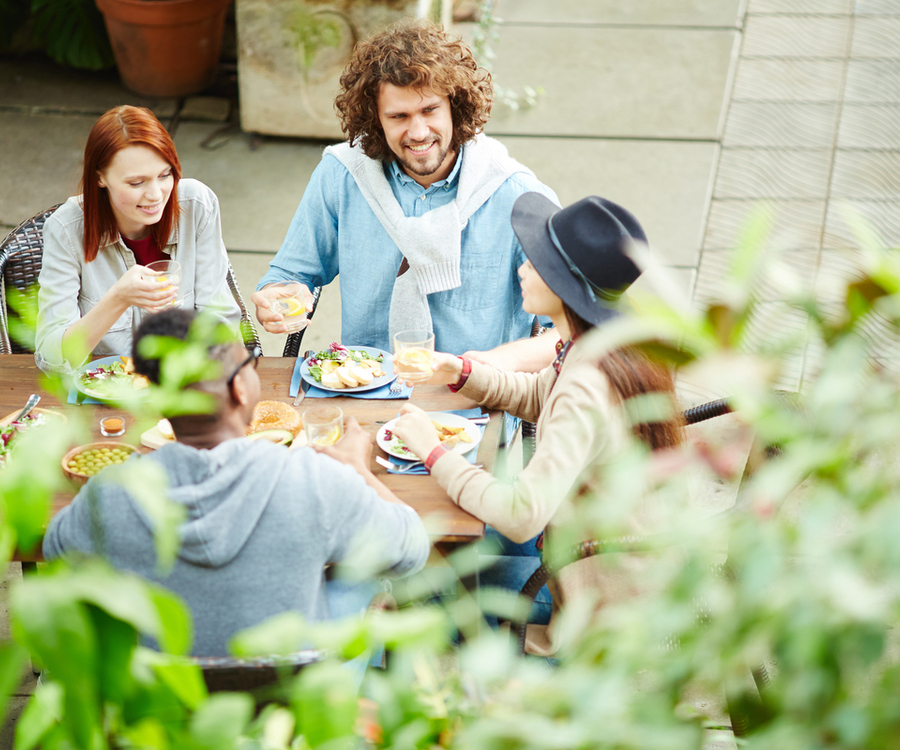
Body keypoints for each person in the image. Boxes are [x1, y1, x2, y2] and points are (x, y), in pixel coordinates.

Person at [390, 194, 685, 655]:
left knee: (409, 595)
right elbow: (538, 396)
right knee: (439, 563)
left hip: (593, 617)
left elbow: (520, 514)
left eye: (534, 262)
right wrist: (461, 372)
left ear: (564, 284)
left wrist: (433, 452)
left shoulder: (587, 382)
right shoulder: (602, 343)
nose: (522, 270)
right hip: (604, 574)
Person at [42, 308, 430, 657]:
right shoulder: (314, 480)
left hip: (163, 716)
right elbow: (411, 549)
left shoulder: (112, 494)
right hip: (289, 713)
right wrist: (356, 469)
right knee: (361, 585)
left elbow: (56, 551)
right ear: (239, 388)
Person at [252, 20, 560, 371]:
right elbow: (291, 275)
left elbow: (579, 328)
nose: (417, 132)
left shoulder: (518, 197)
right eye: (399, 116)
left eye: (429, 110)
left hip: (474, 401)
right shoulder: (341, 176)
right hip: (364, 388)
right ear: (375, 120)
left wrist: (490, 364)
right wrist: (277, 298)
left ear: (454, 106)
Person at [35, 105, 241, 374]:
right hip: (106, 395)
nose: (156, 194)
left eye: (165, 175)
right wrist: (118, 298)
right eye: (136, 183)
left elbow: (222, 321)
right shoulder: (66, 230)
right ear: (100, 177)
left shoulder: (196, 206)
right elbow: (52, 359)